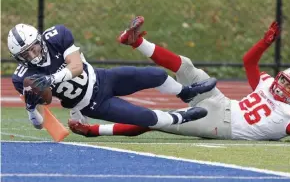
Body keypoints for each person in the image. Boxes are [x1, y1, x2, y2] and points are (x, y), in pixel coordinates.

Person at [68, 16, 290, 145]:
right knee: (186, 66)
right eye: (284, 79)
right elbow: (249, 62)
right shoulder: (266, 84)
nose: (283, 85)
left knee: (158, 120)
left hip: (220, 125)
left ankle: (93, 131)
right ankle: (136, 40)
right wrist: (264, 42)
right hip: (220, 102)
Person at [8, 23, 217, 131]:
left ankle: (185, 93)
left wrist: (52, 79)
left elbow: (77, 66)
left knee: (155, 74)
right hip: (92, 104)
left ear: (39, 39)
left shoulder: (56, 36)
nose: (33, 56)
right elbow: (39, 122)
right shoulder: (23, 77)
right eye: (26, 55)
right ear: (19, 58)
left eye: (34, 48)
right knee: (146, 118)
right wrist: (30, 108)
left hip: (104, 78)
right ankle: (179, 118)